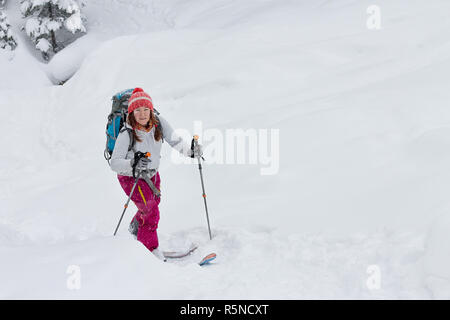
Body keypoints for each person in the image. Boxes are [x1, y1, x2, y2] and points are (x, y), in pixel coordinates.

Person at [110, 87, 203, 260]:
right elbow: (114, 163)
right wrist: (132, 163)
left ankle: (135, 228)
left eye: (146, 109)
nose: (143, 114)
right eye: (137, 110)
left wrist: (190, 151)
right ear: (131, 113)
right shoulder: (126, 133)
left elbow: (174, 140)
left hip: (152, 174)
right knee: (151, 212)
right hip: (131, 177)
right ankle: (149, 251)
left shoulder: (158, 123)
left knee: (153, 204)